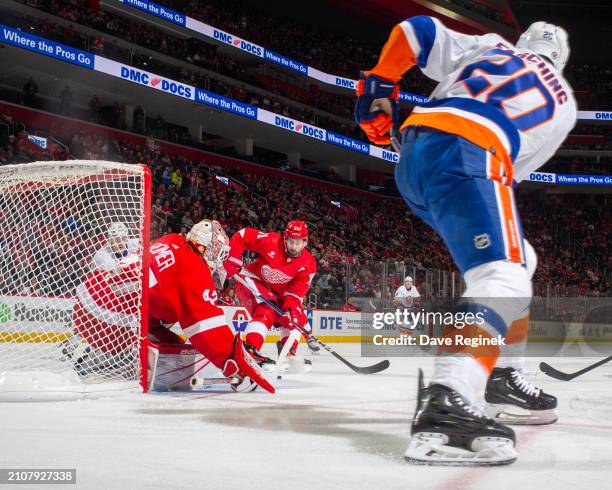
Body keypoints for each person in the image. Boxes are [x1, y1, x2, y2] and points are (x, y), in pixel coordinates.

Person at [355, 19, 576, 465]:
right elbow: (506, 168)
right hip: (471, 149)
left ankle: (504, 377)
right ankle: (450, 398)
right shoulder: (565, 101)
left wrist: (377, 86)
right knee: (504, 274)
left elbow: (414, 30)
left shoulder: (493, 46)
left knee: (520, 260)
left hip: (415, 151)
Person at [71, 220, 274, 394]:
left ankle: (95, 349)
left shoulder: (172, 239)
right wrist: (235, 366)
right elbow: (208, 331)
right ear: (205, 247)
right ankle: (98, 357)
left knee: (173, 343)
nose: (216, 258)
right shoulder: (193, 271)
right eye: (216, 250)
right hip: (104, 316)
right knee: (173, 350)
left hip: (92, 293)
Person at [223, 221, 318, 366]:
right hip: (251, 279)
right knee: (266, 309)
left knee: (294, 318)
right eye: (291, 242)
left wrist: (292, 309)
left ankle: (288, 352)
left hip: (275, 293)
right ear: (285, 239)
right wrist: (233, 256)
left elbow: (294, 293)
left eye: (298, 242)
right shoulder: (272, 241)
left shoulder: (308, 264)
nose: (294, 247)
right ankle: (250, 350)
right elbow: (243, 235)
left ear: (305, 242)